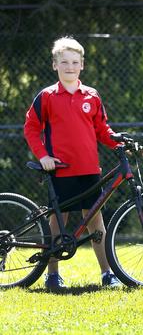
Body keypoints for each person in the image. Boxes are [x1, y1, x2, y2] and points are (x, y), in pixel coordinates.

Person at [23, 37, 121, 289]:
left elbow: (101, 129)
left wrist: (117, 143)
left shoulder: (92, 95)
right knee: (59, 222)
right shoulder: (46, 97)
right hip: (59, 169)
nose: (70, 66)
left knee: (95, 221)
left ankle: (107, 274)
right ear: (55, 65)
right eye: (64, 62)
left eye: (75, 62)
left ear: (82, 65)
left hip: (89, 169)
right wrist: (43, 156)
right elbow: (31, 128)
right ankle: (52, 275)